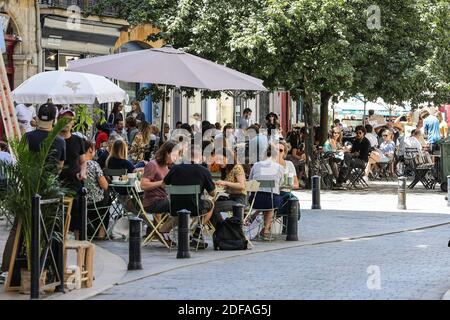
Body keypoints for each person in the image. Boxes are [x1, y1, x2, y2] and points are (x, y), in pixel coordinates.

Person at [1, 103, 66, 276]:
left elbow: (21, 163)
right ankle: (48, 270)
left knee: (18, 229)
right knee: (50, 231)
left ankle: (6, 269)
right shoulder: (59, 141)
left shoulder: (28, 138)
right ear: (55, 119)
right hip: (49, 193)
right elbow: (60, 168)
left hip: (28, 191)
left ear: (36, 117)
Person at [161, 146, 216, 249]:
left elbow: (163, 185)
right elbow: (212, 193)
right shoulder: (203, 170)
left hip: (174, 207)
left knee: (183, 205)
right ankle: (197, 232)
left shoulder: (175, 168)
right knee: (211, 204)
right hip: (194, 207)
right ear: (199, 157)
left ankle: (169, 232)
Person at [140, 141, 179, 245]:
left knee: (185, 205)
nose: (176, 158)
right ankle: (163, 230)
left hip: (163, 199)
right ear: (167, 153)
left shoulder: (166, 166)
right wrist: (161, 183)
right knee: (182, 206)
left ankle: (163, 231)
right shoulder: (153, 165)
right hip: (153, 202)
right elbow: (143, 185)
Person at [58, 108, 87, 237]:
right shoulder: (53, 140)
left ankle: (79, 241)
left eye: (70, 120)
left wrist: (83, 171)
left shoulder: (77, 140)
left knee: (78, 213)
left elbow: (83, 161)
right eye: (64, 119)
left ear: (73, 123)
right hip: (58, 182)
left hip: (75, 182)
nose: (67, 122)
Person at [248, 142, 285, 240]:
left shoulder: (256, 165)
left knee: (267, 198)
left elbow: (250, 183)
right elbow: (281, 184)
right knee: (272, 202)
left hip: (255, 200)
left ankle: (255, 214)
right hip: (271, 200)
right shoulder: (280, 168)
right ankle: (266, 230)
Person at [84, 141, 110, 239]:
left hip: (81, 202)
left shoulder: (76, 163)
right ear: (90, 150)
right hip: (95, 202)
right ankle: (101, 234)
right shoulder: (94, 165)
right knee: (108, 200)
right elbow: (105, 185)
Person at [213, 148, 246, 220]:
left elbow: (242, 186)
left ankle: (224, 226)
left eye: (221, 159)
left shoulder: (237, 167)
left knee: (213, 207)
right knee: (211, 206)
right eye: (217, 160)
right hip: (229, 198)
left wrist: (225, 183)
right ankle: (224, 226)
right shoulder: (226, 169)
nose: (218, 162)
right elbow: (228, 186)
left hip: (239, 199)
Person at [276, 140, 300, 218]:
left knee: (293, 201)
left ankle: (289, 227)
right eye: (275, 150)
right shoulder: (269, 165)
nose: (278, 152)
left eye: (280, 150)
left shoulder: (289, 164)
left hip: (285, 192)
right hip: (273, 193)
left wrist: (286, 186)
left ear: (284, 153)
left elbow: (296, 185)